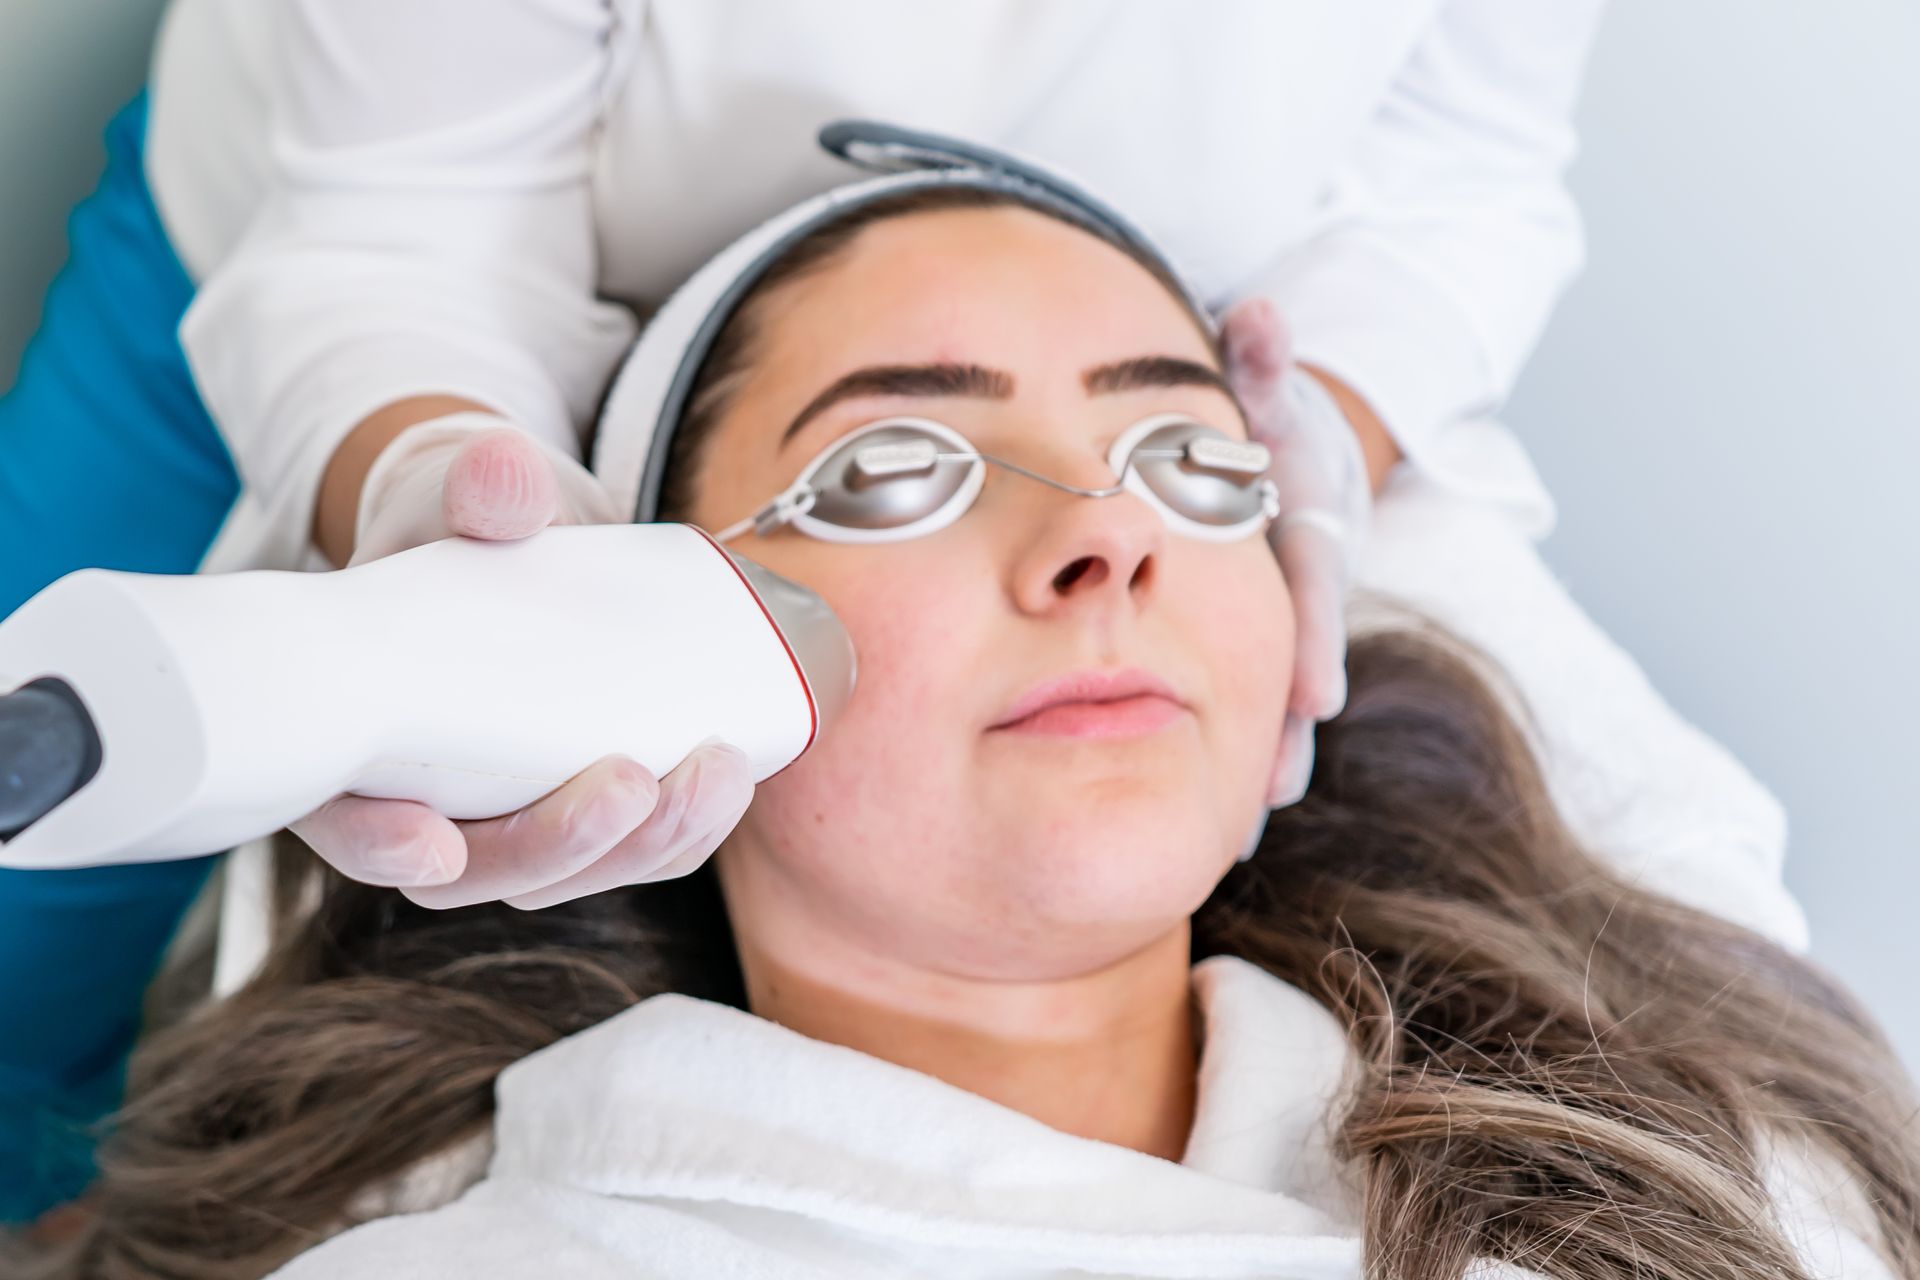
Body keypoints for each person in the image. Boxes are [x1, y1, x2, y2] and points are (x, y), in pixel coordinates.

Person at [8, 159, 1910, 1280]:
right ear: (651, 645)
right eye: (896, 469)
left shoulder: (1720, 1171)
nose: (1106, 534)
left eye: (1196, 459)